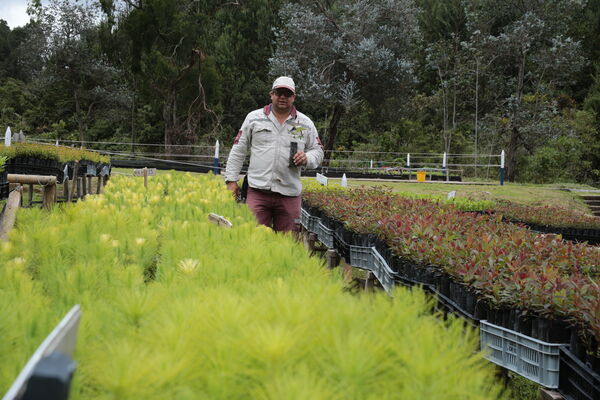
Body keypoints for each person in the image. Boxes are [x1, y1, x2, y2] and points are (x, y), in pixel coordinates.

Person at [225, 76, 324, 232]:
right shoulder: (254, 118)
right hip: (258, 192)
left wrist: (307, 158)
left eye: (287, 93)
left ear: (294, 97)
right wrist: (231, 180)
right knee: (251, 240)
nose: (283, 97)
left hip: (289, 194)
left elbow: (318, 151)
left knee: (287, 245)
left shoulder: (305, 123)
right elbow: (238, 149)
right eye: (279, 93)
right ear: (271, 94)